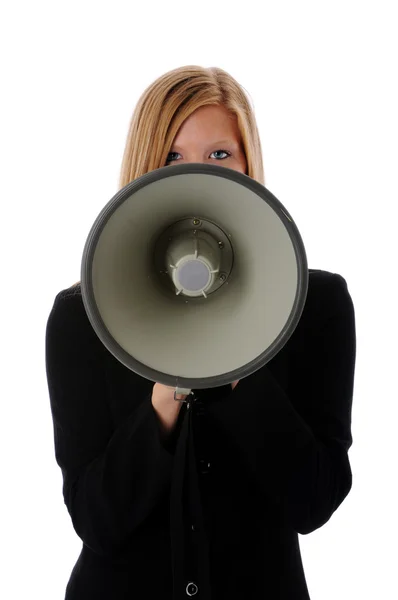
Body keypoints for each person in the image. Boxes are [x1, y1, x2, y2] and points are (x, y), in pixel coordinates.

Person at [45, 65, 356, 600]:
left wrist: (237, 369)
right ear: (145, 165)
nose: (198, 173)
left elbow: (315, 501)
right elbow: (95, 520)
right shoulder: (81, 317)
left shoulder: (318, 306)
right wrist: (164, 401)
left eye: (219, 154)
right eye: (172, 156)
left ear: (247, 162)